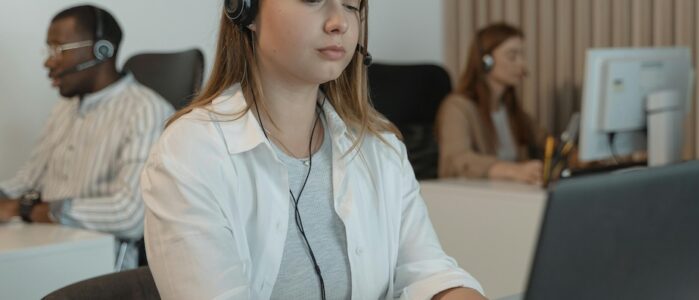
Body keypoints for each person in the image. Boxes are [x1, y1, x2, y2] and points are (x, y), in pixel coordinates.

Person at [140, 0, 485, 299]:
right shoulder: (191, 154)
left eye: (352, 6)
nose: (341, 22)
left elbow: (428, 272)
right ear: (246, 10)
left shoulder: (380, 148)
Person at [0, 5, 173, 269]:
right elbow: (29, 178)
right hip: (47, 242)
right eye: (49, 50)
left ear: (102, 50)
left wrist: (31, 211)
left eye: (59, 49)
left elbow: (131, 215)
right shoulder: (65, 107)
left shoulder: (145, 111)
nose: (48, 61)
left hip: (98, 262)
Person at [436, 23, 545, 185]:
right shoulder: (457, 107)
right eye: (512, 56)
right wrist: (513, 171)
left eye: (522, 56)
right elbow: (456, 160)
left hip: (512, 194)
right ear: (486, 61)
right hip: (478, 199)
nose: (522, 65)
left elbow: (546, 140)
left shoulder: (511, 110)